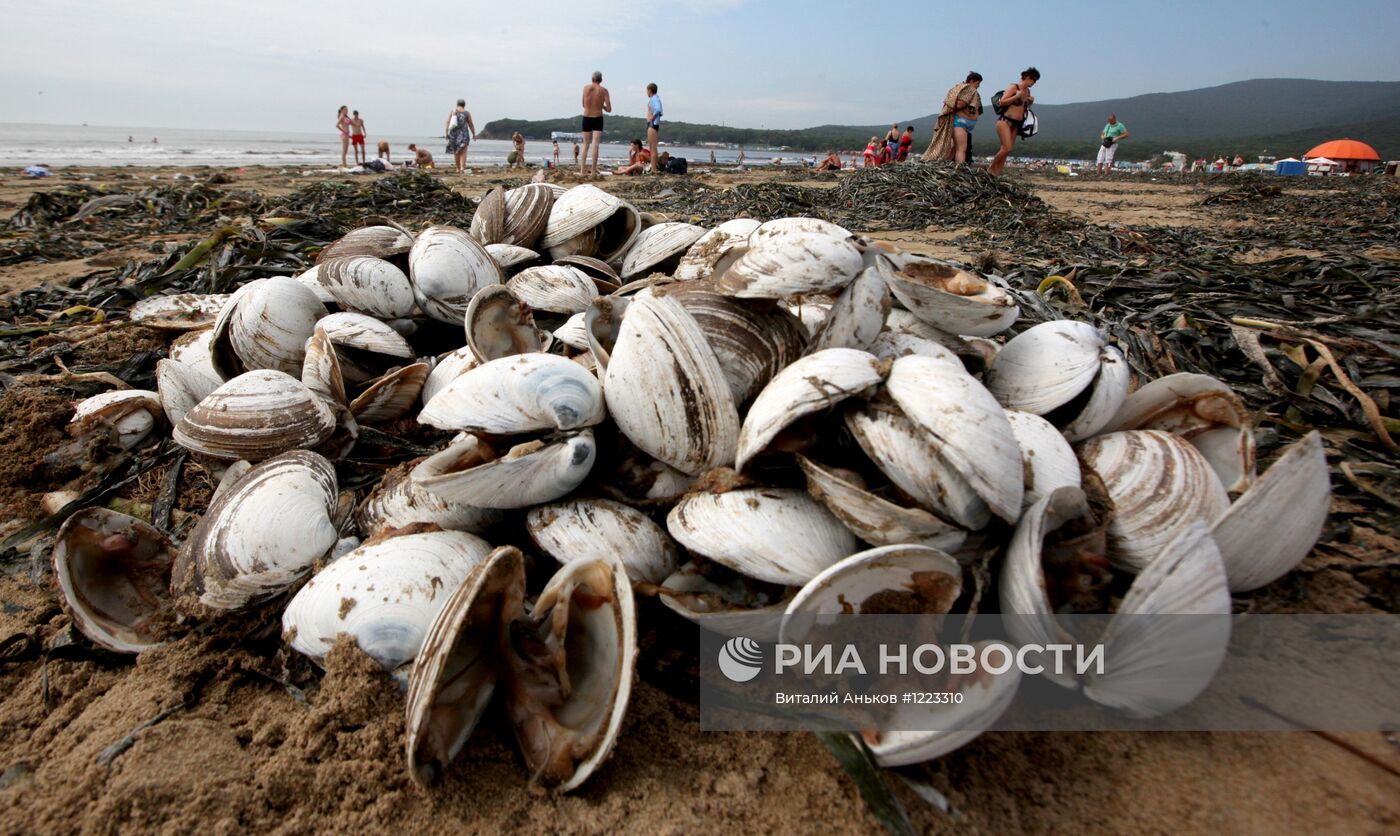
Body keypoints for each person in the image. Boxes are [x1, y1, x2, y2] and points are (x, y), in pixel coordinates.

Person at [990, 67, 1039, 176]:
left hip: (1017, 124)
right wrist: (1016, 96)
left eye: (1035, 81)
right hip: (1005, 121)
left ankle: (996, 173)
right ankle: (991, 167)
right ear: (1026, 77)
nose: (1033, 82)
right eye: (1033, 79)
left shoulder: (1028, 91)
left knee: (1007, 150)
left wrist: (1030, 101)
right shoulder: (1014, 87)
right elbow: (1002, 102)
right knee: (1006, 148)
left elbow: (1024, 107)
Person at [925, 72, 983, 163]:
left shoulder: (961, 89)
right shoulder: (969, 89)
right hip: (960, 122)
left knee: (954, 147)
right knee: (961, 149)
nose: (978, 86)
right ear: (972, 81)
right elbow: (960, 103)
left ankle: (945, 165)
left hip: (962, 122)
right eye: (977, 84)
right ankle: (959, 168)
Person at [579, 71, 612, 177]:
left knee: (585, 144)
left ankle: (582, 170)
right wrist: (601, 106)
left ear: (592, 79)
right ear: (601, 80)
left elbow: (583, 104)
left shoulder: (586, 88)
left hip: (587, 116)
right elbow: (609, 109)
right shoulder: (604, 91)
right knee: (595, 144)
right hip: (598, 117)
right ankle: (593, 171)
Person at [444, 99, 476, 173]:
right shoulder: (467, 113)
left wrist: (446, 133)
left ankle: (458, 169)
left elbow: (448, 122)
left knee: (456, 152)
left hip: (453, 134)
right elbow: (471, 124)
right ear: (464, 105)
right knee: (463, 152)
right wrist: (474, 134)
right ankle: (462, 168)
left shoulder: (453, 111)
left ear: (457, 104)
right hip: (464, 134)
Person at [645, 82, 663, 174]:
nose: (646, 93)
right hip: (653, 124)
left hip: (652, 124)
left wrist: (652, 117)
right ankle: (654, 168)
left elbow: (658, 110)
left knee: (652, 148)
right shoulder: (655, 98)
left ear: (650, 90)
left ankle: (654, 169)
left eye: (647, 90)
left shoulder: (654, 98)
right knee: (653, 147)